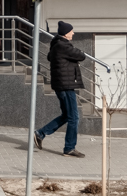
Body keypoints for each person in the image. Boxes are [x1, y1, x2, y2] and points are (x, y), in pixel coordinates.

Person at [33, 21, 87, 158]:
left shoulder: (57, 45)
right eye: (71, 31)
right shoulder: (63, 46)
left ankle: (41, 133)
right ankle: (69, 148)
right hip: (66, 86)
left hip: (62, 85)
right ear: (65, 33)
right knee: (74, 117)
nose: (73, 33)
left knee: (66, 116)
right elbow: (81, 56)